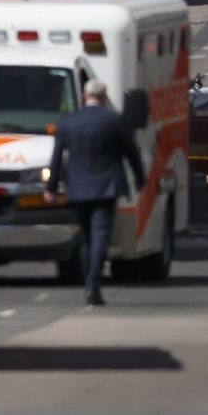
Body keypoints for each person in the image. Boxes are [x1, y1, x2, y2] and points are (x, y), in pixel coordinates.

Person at [47, 79, 146, 307]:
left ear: (84, 96)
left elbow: (57, 158)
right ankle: (93, 283)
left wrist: (51, 187)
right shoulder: (113, 121)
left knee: (86, 236)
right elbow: (131, 153)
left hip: (78, 187)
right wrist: (140, 179)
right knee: (101, 234)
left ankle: (88, 281)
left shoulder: (68, 122)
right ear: (103, 97)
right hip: (106, 186)